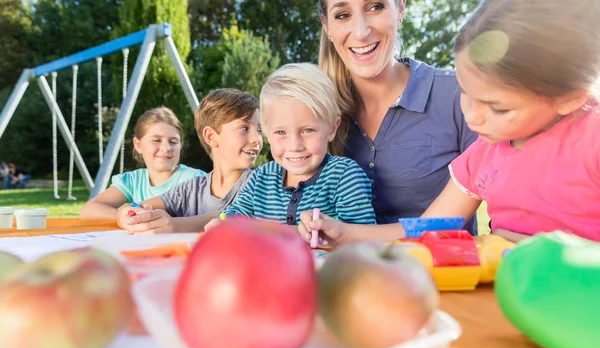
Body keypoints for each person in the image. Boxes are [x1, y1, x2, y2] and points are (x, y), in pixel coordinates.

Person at [300, 0, 600, 246]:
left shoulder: (591, 139)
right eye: (466, 94)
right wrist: (345, 234)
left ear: (570, 98)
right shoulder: (485, 152)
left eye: (497, 107)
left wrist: (545, 253)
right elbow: (427, 228)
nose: (472, 117)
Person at [317, 0, 478, 233]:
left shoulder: (458, 94)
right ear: (326, 25)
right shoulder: (322, 114)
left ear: (400, 8)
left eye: (375, 7)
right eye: (342, 15)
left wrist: (347, 236)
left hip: (441, 269)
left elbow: (502, 212)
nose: (361, 32)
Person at [205, 63, 376, 232]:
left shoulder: (344, 176)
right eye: (281, 132)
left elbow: (361, 235)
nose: (294, 146)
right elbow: (237, 212)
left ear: (332, 128)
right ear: (267, 133)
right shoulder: (261, 178)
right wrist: (223, 222)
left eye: (307, 130)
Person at [117, 89, 262, 234]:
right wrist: (127, 214)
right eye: (244, 128)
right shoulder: (191, 189)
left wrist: (176, 225)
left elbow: (234, 215)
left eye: (259, 130)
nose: (257, 139)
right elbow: (140, 207)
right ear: (211, 136)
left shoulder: (262, 185)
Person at [79, 107, 205, 220]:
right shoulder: (133, 180)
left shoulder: (196, 179)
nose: (166, 148)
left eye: (173, 142)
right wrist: (122, 217)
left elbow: (218, 216)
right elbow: (89, 210)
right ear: (138, 145)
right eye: (156, 140)